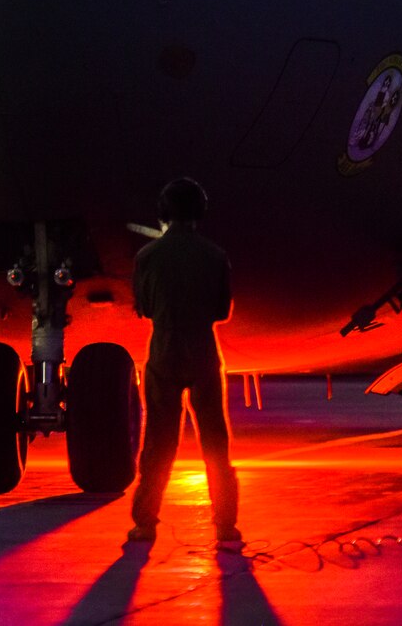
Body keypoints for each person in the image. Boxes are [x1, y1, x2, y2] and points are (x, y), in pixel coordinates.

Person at [127, 176, 239, 548]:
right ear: (200, 212)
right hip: (203, 350)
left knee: (159, 441)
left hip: (163, 350)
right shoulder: (215, 256)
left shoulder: (146, 258)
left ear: (163, 212)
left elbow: (142, 309)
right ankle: (225, 526)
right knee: (215, 443)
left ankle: (145, 523)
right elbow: (222, 311)